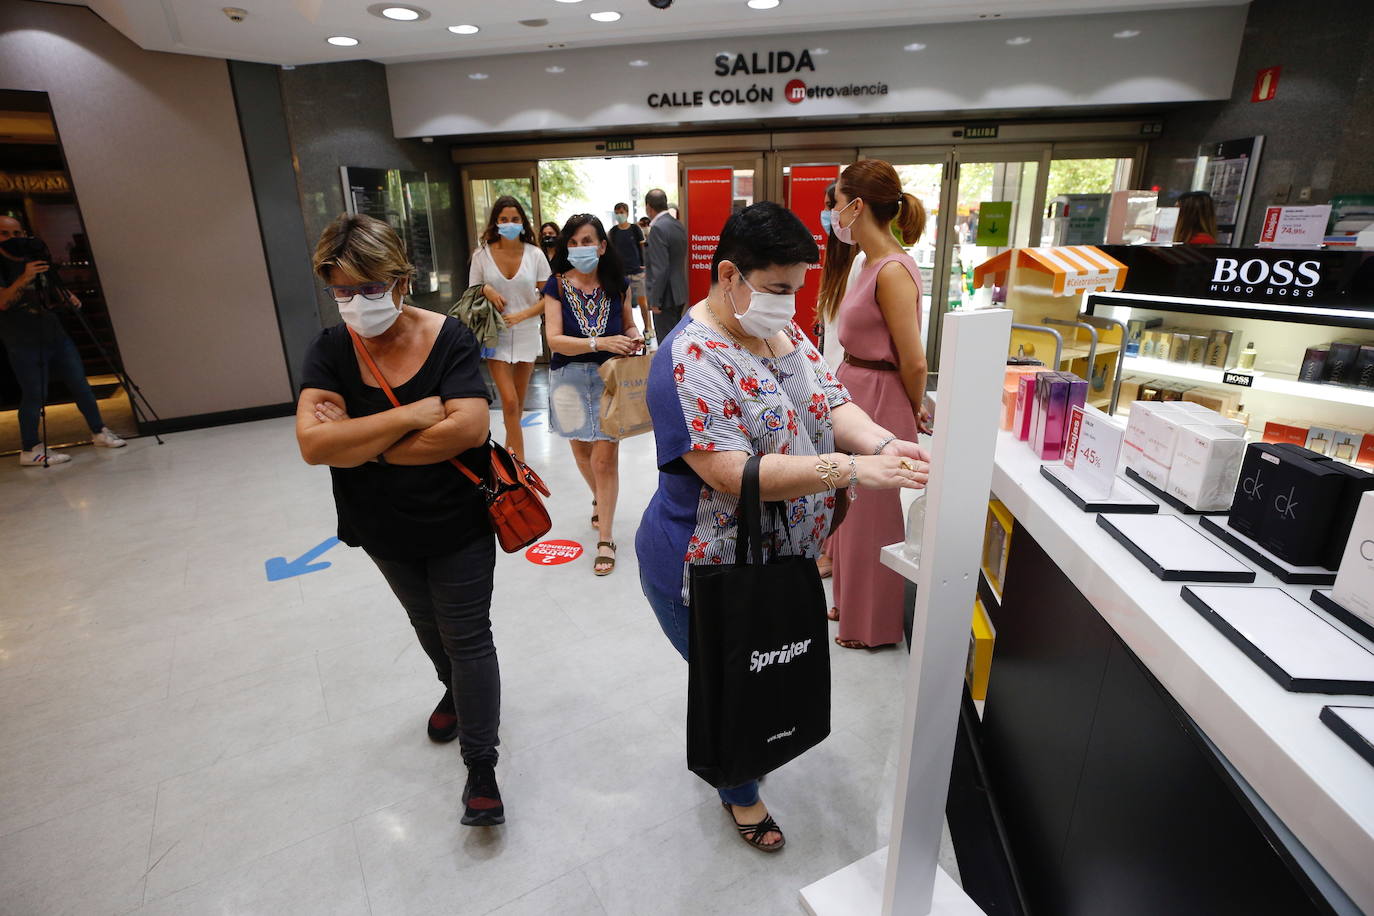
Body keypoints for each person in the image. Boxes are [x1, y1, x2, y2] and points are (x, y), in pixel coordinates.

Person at [636, 201, 930, 851]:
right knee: (733, 689)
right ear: (730, 275)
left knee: (762, 675)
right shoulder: (689, 358)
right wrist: (848, 470)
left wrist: (882, 444)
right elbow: (731, 474)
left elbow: (831, 401)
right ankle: (740, 793)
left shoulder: (781, 336)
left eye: (797, 290)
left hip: (777, 560)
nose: (789, 306)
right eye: (777, 289)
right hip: (703, 567)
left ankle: (746, 761)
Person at [295, 213, 505, 827]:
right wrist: (413, 416)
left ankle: (482, 766)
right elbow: (313, 445)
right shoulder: (331, 349)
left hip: (457, 521)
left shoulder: (450, 338)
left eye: (369, 287)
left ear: (401, 280)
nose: (357, 302)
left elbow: (468, 428)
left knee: (467, 637)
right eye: (342, 291)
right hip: (381, 525)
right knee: (428, 627)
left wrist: (359, 444)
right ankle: (454, 693)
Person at [828, 159, 932, 649]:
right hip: (858, 391)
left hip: (881, 396)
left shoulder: (891, 270)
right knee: (852, 505)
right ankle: (849, 603)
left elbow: (913, 360)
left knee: (872, 515)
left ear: (856, 206)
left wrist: (917, 407)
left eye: (835, 201)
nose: (832, 212)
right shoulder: (869, 264)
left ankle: (873, 625)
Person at [542, 214, 644, 575]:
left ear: (602, 246)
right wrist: (598, 341)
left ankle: (606, 537)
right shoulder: (555, 286)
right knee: (581, 452)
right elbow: (554, 340)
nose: (580, 248)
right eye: (573, 241)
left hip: (609, 379)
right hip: (567, 380)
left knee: (604, 459)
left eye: (588, 241)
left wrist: (634, 336)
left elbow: (629, 322)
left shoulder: (618, 283)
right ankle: (601, 499)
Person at [0, 216, 125, 465]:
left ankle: (99, 431)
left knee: (80, 383)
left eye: (17, 234)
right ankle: (30, 449)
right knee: (35, 393)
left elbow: (51, 286)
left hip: (55, 334)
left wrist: (67, 295)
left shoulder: (34, 259)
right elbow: (2, 302)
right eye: (4, 234)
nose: (12, 239)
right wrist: (24, 277)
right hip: (22, 340)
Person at [468, 196, 551, 460]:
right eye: (503, 219)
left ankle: (511, 459)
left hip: (526, 331)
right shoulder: (481, 255)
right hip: (496, 333)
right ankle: (518, 463)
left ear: (523, 222)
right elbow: (472, 289)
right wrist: (487, 288)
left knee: (517, 403)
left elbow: (549, 295)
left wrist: (524, 314)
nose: (509, 224)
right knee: (510, 401)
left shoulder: (535, 254)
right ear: (495, 222)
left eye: (515, 219)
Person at [644, 188, 688, 345]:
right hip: (679, 292)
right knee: (676, 340)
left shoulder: (657, 228)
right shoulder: (677, 224)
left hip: (665, 297)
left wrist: (655, 300)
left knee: (666, 344)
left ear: (648, 207)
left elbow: (660, 268)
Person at [609, 202, 652, 344]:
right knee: (623, 304)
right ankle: (626, 331)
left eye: (622, 211)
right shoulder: (613, 232)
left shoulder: (635, 229)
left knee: (643, 302)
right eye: (617, 212)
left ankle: (648, 329)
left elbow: (642, 249)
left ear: (627, 213)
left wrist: (644, 266)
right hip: (620, 273)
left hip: (637, 271)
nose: (619, 214)